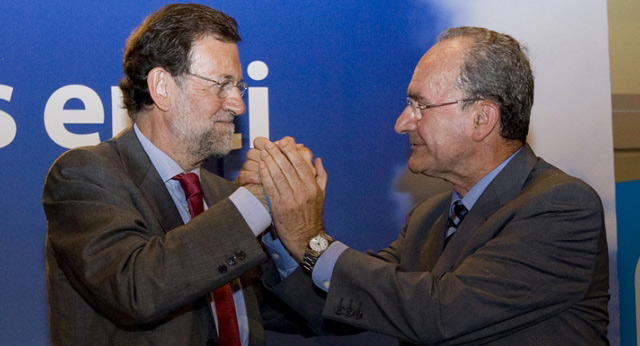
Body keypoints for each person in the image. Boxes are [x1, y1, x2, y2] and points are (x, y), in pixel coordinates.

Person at [243, 27, 610, 345]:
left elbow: (438, 314)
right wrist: (281, 220)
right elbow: (346, 306)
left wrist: (311, 240)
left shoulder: (561, 206)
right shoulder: (428, 217)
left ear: (482, 118)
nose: (402, 123)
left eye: (419, 106)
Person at [43, 4, 289, 345]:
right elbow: (138, 290)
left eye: (239, 87)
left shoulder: (225, 197)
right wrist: (256, 203)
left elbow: (290, 314)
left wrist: (296, 229)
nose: (238, 104)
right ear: (162, 87)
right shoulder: (84, 176)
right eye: (222, 85)